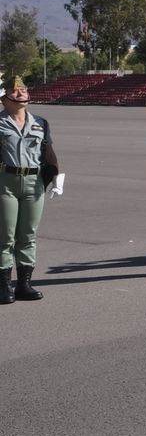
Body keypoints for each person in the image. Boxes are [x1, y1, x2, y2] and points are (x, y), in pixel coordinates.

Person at [0, 77, 59, 303]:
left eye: (23, 89)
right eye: (14, 91)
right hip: (6, 182)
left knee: (28, 235)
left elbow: (48, 153)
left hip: (34, 183)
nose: (20, 93)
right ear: (4, 99)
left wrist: (54, 176)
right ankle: (4, 286)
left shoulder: (40, 123)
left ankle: (24, 284)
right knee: (5, 236)